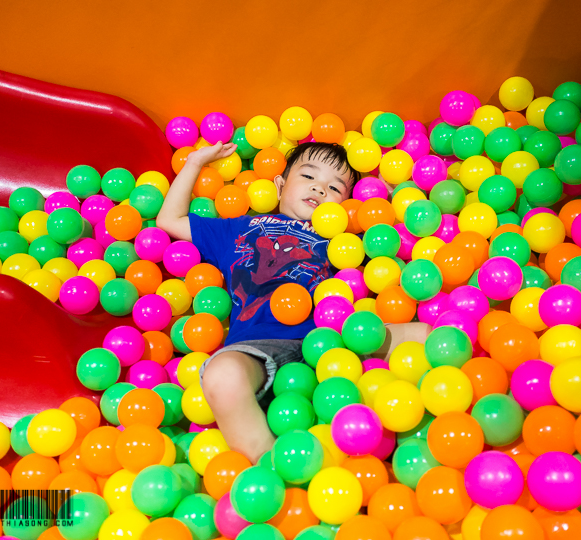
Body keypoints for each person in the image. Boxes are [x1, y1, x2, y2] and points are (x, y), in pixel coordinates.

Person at [157, 140, 430, 463]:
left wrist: (387, 194)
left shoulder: (344, 241)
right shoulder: (242, 227)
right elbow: (168, 220)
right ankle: (271, 468)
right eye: (309, 176)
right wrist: (195, 162)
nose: (319, 189)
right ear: (280, 184)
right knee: (222, 375)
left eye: (334, 186)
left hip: (334, 341)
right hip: (258, 346)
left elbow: (389, 248)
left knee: (430, 337)